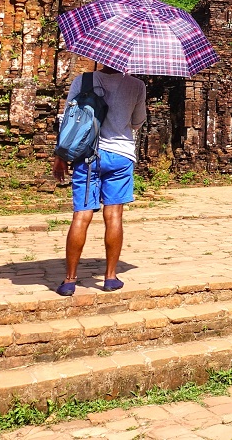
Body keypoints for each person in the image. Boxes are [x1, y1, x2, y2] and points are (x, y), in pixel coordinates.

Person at [51, 64, 147, 296]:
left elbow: (68, 119)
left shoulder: (83, 81)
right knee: (114, 215)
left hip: (87, 155)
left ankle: (70, 280)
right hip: (121, 155)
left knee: (81, 216)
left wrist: (60, 155)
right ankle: (110, 277)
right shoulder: (136, 85)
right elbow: (137, 122)